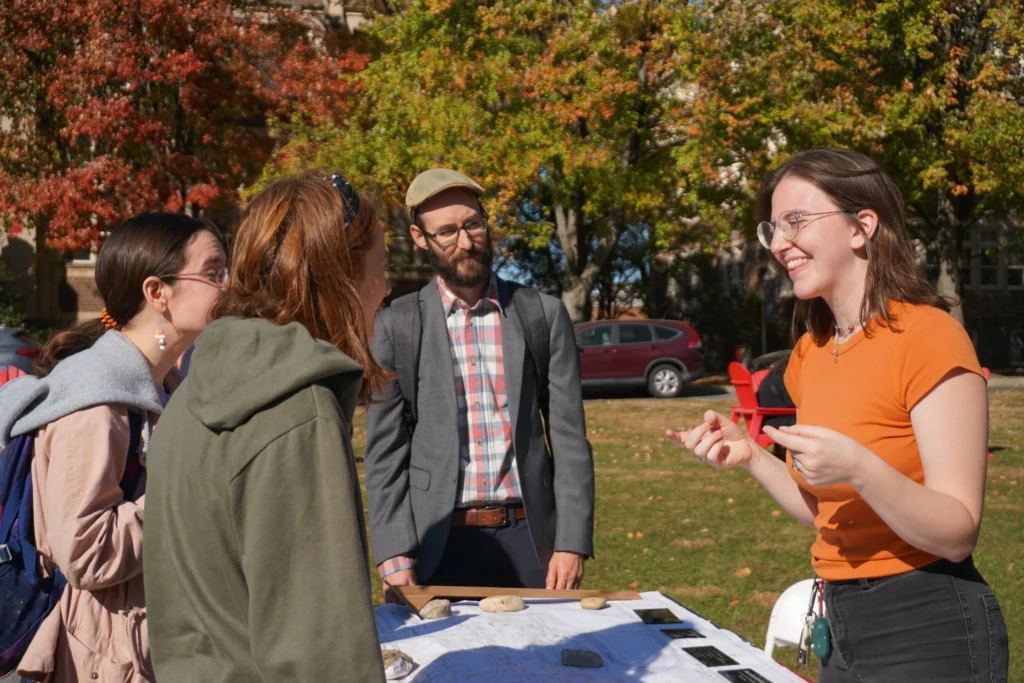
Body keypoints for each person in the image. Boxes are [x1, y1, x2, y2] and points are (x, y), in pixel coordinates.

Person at [667, 149, 1008, 682]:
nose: (779, 243)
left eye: (796, 222)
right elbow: (825, 511)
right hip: (840, 621)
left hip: (928, 624)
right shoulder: (811, 353)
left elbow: (958, 530)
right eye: (773, 228)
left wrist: (859, 467)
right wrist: (753, 455)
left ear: (861, 226)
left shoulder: (929, 336)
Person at [144, 173, 390, 682]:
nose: (386, 289)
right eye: (381, 268)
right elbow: (325, 658)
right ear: (338, 278)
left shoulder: (197, 389)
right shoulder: (298, 410)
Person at [0, 213, 226, 683]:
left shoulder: (162, 384)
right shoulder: (98, 400)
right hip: (96, 657)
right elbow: (87, 551)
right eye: (212, 272)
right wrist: (196, 495)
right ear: (156, 292)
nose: (227, 285)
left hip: (138, 639)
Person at [365, 168, 594, 601]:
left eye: (473, 224)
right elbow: (385, 454)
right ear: (419, 237)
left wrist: (571, 540)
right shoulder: (396, 327)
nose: (466, 242)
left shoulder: (541, 315)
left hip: (534, 544)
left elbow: (568, 438)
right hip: (436, 546)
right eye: (447, 232)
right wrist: (395, 553)